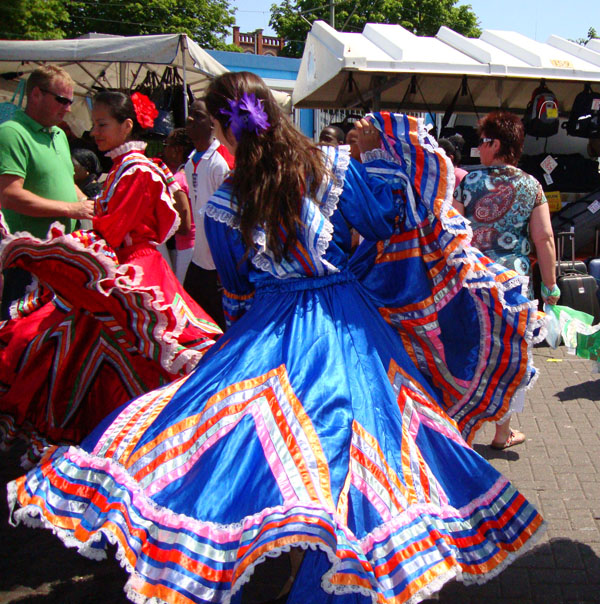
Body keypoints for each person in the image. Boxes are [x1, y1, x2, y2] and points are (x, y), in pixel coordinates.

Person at [8, 73, 544, 604]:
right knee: (362, 440)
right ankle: (345, 562)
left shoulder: (225, 202)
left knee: (262, 446)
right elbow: (384, 224)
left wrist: (243, 337)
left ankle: (305, 560)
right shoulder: (330, 167)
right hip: (350, 322)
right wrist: (373, 182)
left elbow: (236, 293)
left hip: (271, 327)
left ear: (223, 127)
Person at [0, 90, 221, 463]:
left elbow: (112, 231)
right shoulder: (126, 167)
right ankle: (122, 436)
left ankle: (148, 437)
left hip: (133, 271)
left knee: (140, 350)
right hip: (121, 269)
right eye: (94, 125)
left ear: (126, 126)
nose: (96, 132)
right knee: (92, 347)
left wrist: (57, 250)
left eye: (102, 125)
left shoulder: (137, 170)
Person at [453, 110, 558, 450]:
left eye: (482, 141)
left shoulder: (468, 182)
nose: (477, 148)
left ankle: (461, 429)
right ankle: (502, 433)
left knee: (469, 350)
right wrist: (551, 286)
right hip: (514, 285)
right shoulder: (531, 185)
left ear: (495, 144)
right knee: (507, 356)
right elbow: (544, 239)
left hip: (473, 281)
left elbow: (452, 232)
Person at [0, 66, 94, 318]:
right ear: (37, 95)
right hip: (28, 260)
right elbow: (9, 194)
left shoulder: (59, 135)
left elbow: (66, 182)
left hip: (60, 256)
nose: (68, 108)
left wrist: (90, 203)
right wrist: (71, 209)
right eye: (62, 100)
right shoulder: (11, 133)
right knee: (18, 335)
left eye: (70, 101)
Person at [183, 99, 234, 330]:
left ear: (213, 123)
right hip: (198, 258)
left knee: (220, 326)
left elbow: (229, 216)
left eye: (198, 115)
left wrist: (225, 262)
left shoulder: (220, 163)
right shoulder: (191, 161)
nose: (190, 119)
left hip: (217, 263)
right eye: (190, 114)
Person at [162, 127, 195, 283]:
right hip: (196, 245)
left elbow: (184, 225)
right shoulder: (193, 172)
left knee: (183, 293)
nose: (164, 149)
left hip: (187, 247)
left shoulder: (177, 180)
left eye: (167, 144)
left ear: (177, 150)